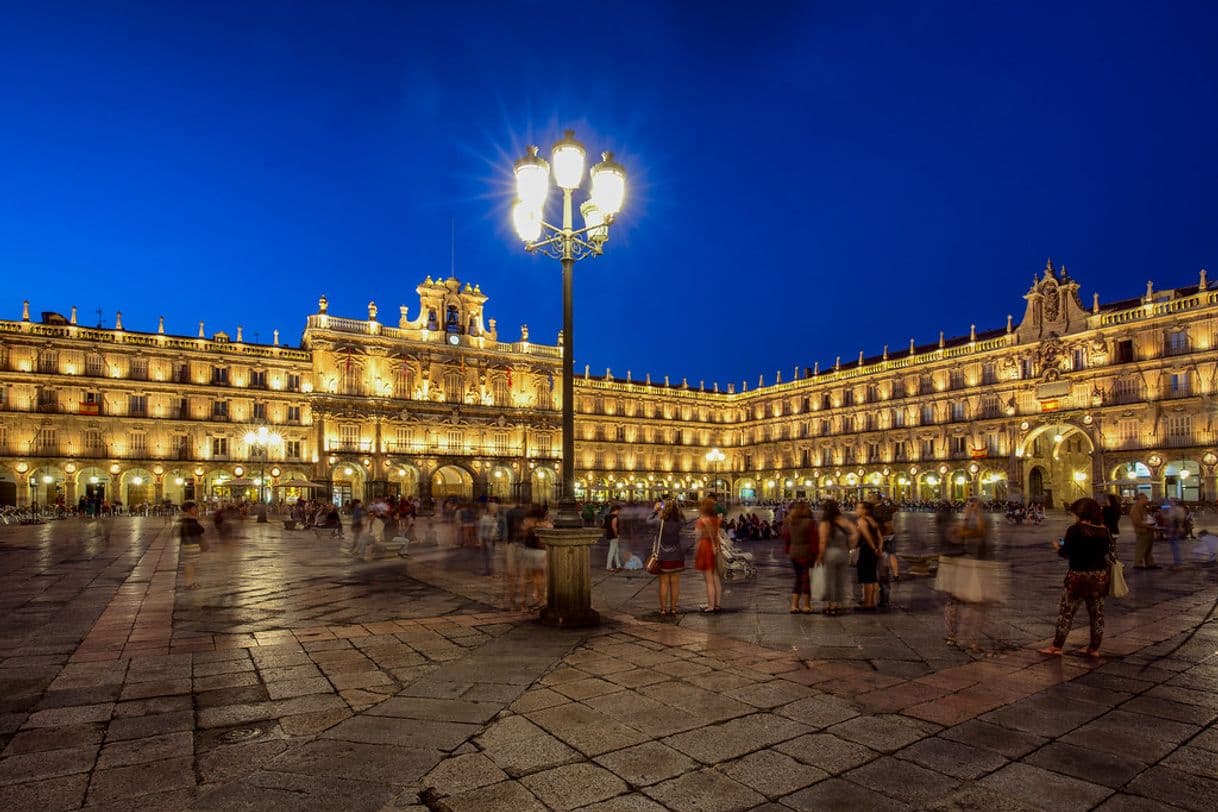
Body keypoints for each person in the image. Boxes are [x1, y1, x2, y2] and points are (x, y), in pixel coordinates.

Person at [1040, 497, 1116, 658]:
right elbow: (1109, 553)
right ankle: (1094, 648)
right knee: (1097, 614)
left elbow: (1066, 553)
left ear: (1081, 513)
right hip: (1099, 578)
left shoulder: (1075, 530)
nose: (1073, 516)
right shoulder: (1104, 530)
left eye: (1074, 513)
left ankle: (1057, 646)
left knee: (1067, 612)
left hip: (1078, 578)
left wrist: (1057, 547)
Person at [817, 500, 852, 615]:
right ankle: (838, 604)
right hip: (844, 553)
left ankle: (830, 605)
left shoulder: (825, 522)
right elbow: (855, 532)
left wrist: (820, 556)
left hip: (830, 552)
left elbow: (822, 541)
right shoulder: (843, 520)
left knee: (829, 579)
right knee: (840, 580)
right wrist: (850, 546)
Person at [783, 501, 817, 613]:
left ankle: (794, 605)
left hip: (794, 553)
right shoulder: (810, 522)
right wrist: (816, 554)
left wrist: (788, 550)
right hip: (806, 553)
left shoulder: (791, 522)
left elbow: (787, 538)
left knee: (798, 578)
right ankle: (806, 605)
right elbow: (813, 540)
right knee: (806, 579)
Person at [652, 501, 686, 616]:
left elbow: (647, 521)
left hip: (663, 555)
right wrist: (678, 510)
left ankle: (663, 609)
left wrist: (655, 510)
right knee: (675, 583)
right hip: (676, 555)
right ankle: (673, 608)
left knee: (663, 583)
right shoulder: (679, 522)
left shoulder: (659, 522)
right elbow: (684, 519)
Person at [693, 498, 722, 613]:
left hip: (705, 547)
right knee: (716, 578)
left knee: (709, 580)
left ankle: (710, 605)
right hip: (715, 547)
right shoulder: (717, 519)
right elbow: (718, 534)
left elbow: (697, 536)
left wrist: (696, 552)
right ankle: (717, 604)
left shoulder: (701, 521)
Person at [519, 505, 551, 610]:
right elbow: (551, 530)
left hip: (528, 551)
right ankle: (541, 599)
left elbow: (522, 531)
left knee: (527, 577)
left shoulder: (527, 522)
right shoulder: (545, 524)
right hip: (540, 552)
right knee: (540, 576)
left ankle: (523, 602)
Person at [853, 501, 882, 609]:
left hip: (867, 550)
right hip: (874, 550)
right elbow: (879, 537)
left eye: (858, 508)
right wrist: (879, 548)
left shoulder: (861, 521)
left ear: (865, 510)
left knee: (866, 577)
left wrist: (873, 548)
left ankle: (868, 602)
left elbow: (867, 536)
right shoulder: (872, 520)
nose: (856, 510)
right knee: (872, 575)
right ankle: (872, 601)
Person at [179, 501, 205, 589]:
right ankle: (189, 584)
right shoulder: (189, 519)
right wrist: (196, 519)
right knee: (190, 565)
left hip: (190, 544)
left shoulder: (186, 519)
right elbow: (200, 530)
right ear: (189, 509)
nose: (196, 510)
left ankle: (191, 582)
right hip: (190, 544)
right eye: (194, 508)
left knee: (191, 564)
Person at [1129, 493, 1158, 569]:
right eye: (1145, 498)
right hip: (1143, 530)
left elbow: (1148, 516)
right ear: (1140, 499)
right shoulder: (1135, 508)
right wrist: (1148, 526)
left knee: (1148, 548)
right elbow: (1137, 521)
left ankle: (1150, 562)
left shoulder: (1144, 507)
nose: (1147, 500)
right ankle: (1138, 563)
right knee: (1141, 548)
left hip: (1148, 529)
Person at [604, 504, 623, 572]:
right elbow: (614, 527)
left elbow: (604, 526)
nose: (619, 512)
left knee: (616, 551)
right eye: (619, 511)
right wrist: (616, 535)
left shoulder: (607, 516)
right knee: (612, 551)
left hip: (608, 534)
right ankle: (608, 566)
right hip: (613, 535)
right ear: (616, 510)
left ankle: (618, 565)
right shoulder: (615, 517)